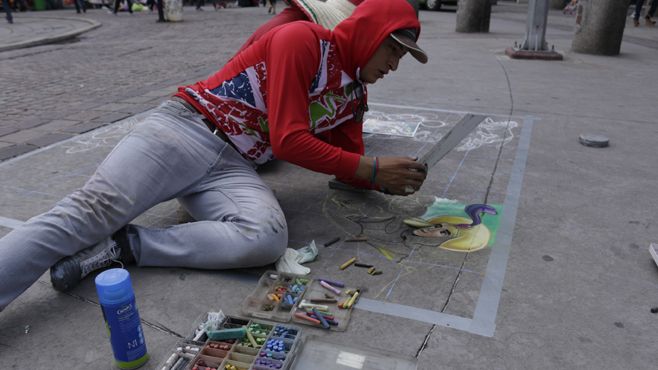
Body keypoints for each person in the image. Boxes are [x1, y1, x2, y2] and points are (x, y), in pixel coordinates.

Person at [0, 0, 428, 311]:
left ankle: (126, 247)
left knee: (266, 237)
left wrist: (389, 176)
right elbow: (289, 140)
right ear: (369, 33)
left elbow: (348, 163)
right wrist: (371, 168)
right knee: (88, 213)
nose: (395, 63)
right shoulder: (304, 40)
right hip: (184, 129)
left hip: (233, 166)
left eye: (403, 56)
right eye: (392, 49)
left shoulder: (353, 96)